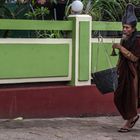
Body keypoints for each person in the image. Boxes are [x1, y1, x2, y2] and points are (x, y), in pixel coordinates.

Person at [112, 3, 140, 132]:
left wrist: (120, 48)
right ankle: (131, 116)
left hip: (134, 73)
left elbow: (134, 58)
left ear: (133, 29)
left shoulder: (138, 40)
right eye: (123, 27)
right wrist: (117, 68)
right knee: (118, 96)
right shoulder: (124, 39)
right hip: (123, 72)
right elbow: (121, 57)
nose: (124, 29)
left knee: (131, 97)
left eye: (127, 27)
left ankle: (131, 119)